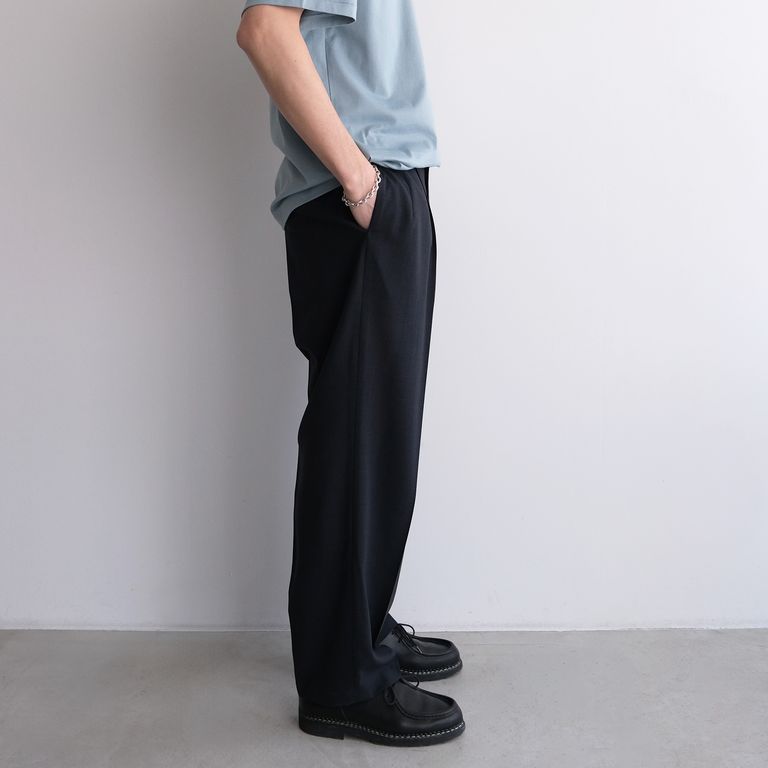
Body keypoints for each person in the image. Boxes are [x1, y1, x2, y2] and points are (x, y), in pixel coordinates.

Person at [236, 0, 466, 746]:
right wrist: (362, 184)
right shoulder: (359, 188)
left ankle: (360, 630)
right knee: (357, 446)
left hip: (373, 187)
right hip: (354, 194)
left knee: (379, 441)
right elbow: (265, 29)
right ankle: (342, 682)